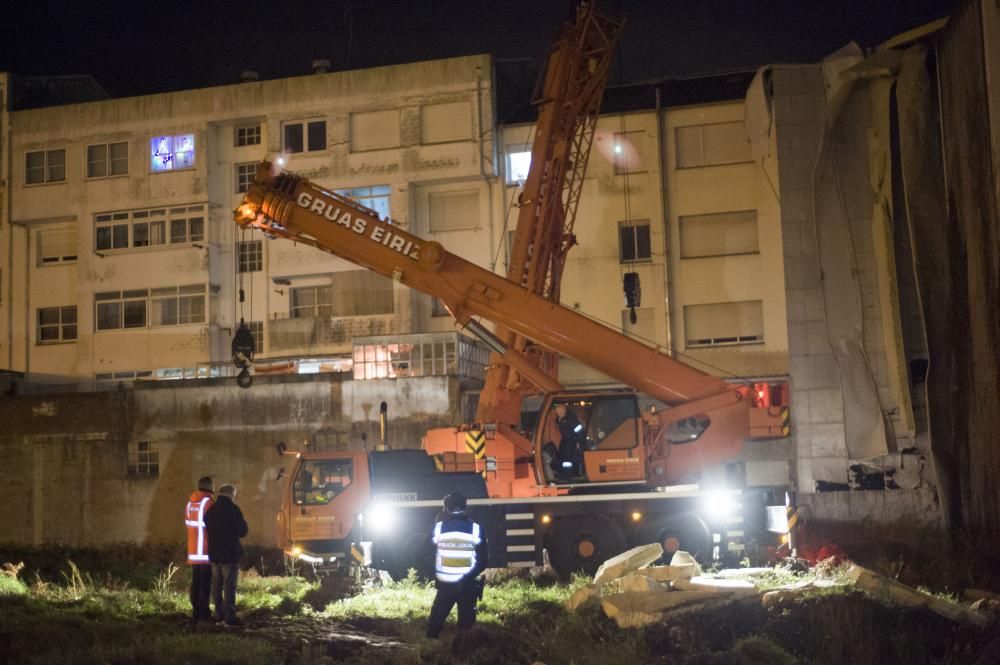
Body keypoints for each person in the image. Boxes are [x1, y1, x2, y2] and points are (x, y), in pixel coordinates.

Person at [425, 492, 488, 639]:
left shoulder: (438, 528)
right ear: (466, 507)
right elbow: (483, 561)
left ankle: (430, 652)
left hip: (445, 584)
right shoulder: (476, 529)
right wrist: (467, 577)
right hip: (468, 585)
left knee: (434, 626)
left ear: (446, 508)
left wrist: (435, 571)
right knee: (466, 629)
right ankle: (463, 656)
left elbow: (422, 553)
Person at [205, 484, 248, 626]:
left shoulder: (211, 510)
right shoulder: (234, 510)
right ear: (231, 494)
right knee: (229, 585)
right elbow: (243, 531)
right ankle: (229, 616)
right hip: (229, 554)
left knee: (216, 584)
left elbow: (207, 526)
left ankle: (218, 613)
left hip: (214, 554)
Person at [184, 476, 214, 623]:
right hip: (205, 550)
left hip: (193, 551)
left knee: (195, 583)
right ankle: (204, 613)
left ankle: (196, 611)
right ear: (210, 488)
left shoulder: (190, 504)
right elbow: (213, 525)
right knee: (205, 584)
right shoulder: (208, 502)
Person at [553, 403, 585, 478]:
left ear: (564, 409)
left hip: (571, 440)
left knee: (567, 458)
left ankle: (568, 475)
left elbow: (579, 430)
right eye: (558, 412)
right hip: (565, 439)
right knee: (561, 455)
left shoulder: (570, 417)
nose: (559, 413)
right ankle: (563, 472)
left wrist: (579, 442)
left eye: (560, 411)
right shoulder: (560, 418)